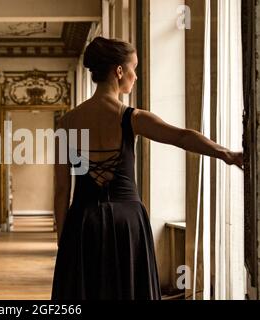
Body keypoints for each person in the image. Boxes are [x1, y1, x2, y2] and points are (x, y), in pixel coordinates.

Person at [51, 37, 243, 300]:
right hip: (127, 223)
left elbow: (62, 190)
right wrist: (226, 154)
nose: (136, 76)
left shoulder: (66, 123)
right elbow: (183, 137)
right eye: (134, 67)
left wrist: (65, 241)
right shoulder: (132, 118)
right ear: (119, 71)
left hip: (83, 223)